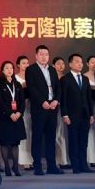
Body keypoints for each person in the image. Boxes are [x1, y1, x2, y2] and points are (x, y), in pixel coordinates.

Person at [25, 44, 63, 175]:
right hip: (39, 108)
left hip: (52, 107)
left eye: (46, 54)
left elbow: (58, 87)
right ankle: (37, 166)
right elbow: (32, 88)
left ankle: (52, 165)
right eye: (41, 54)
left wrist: (56, 100)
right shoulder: (31, 70)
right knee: (37, 137)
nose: (44, 57)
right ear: (36, 56)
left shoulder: (52, 69)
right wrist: (42, 102)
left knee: (51, 137)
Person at [59, 54, 94, 174]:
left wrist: (91, 114)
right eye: (77, 61)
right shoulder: (65, 79)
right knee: (73, 141)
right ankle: (75, 166)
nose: (80, 64)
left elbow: (88, 98)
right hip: (72, 115)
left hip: (85, 114)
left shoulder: (85, 79)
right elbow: (63, 98)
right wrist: (65, 114)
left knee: (83, 141)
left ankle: (84, 165)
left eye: (81, 62)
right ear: (70, 64)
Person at [0, 60, 26, 176]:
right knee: (4, 143)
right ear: (3, 71)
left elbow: (22, 101)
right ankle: (7, 168)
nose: (9, 70)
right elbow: (0, 101)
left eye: (11, 68)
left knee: (15, 143)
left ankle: (15, 167)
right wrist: (10, 114)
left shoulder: (17, 84)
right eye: (7, 68)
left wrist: (19, 113)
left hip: (17, 117)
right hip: (5, 117)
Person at [14, 55, 33, 169]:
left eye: (27, 63)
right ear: (18, 65)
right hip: (20, 107)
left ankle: (31, 159)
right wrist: (22, 86)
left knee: (31, 132)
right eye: (23, 63)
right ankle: (23, 160)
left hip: (31, 106)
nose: (26, 65)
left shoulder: (31, 76)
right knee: (22, 131)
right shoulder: (15, 77)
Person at [53, 56, 70, 169]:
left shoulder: (67, 78)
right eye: (58, 63)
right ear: (53, 65)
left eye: (63, 64)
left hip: (66, 109)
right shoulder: (52, 77)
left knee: (64, 134)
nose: (61, 66)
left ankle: (64, 159)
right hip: (55, 108)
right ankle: (59, 160)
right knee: (57, 134)